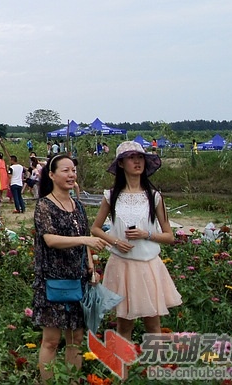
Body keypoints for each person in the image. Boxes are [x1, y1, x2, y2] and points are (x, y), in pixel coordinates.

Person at [90, 141, 181, 338]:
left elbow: (169, 236)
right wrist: (115, 241)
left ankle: (157, 366)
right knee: (124, 326)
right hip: (122, 266)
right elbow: (95, 228)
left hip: (148, 266)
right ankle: (123, 366)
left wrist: (146, 234)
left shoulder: (154, 197)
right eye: (131, 158)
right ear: (121, 164)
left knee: (153, 325)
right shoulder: (112, 196)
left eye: (140, 157)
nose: (137, 162)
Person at [33, 154, 106, 382]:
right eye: (65, 170)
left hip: (79, 280)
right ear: (52, 175)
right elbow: (51, 240)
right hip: (52, 280)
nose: (71, 174)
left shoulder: (78, 206)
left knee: (76, 337)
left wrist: (91, 268)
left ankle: (72, 380)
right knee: (52, 340)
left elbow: (84, 239)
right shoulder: (44, 205)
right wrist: (85, 241)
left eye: (73, 170)